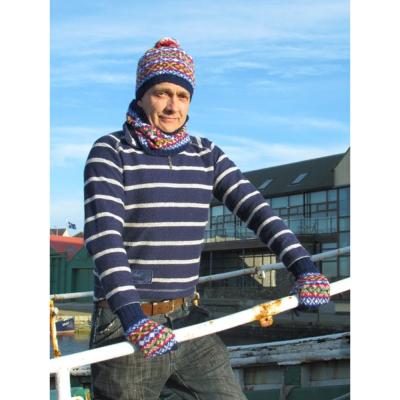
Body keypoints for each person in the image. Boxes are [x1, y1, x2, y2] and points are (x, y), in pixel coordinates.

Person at [84, 37, 330, 400]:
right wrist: (133, 317)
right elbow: (105, 239)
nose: (172, 106)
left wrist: (304, 267)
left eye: (182, 96)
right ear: (142, 96)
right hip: (125, 323)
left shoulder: (206, 154)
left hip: (188, 319)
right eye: (161, 93)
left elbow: (258, 211)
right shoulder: (110, 151)